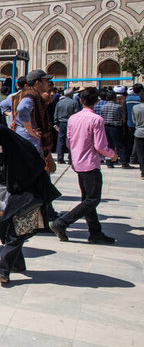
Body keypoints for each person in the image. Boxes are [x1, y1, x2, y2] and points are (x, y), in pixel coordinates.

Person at [0, 123, 60, 285]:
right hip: (5, 194)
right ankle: (18, 264)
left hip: (27, 195)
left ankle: (3, 270)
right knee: (3, 229)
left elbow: (38, 171)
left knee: (16, 233)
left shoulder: (24, 149)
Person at [49, 87, 118, 244]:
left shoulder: (73, 118)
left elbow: (68, 141)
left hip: (78, 161)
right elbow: (100, 145)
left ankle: (95, 232)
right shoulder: (96, 120)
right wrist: (111, 155)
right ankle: (62, 222)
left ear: (80, 101)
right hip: (90, 163)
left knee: (87, 199)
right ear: (97, 101)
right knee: (92, 199)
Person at [99, 90, 128, 169]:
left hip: (105, 127)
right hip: (115, 127)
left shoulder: (103, 107)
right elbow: (122, 118)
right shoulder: (118, 107)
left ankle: (109, 162)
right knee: (120, 145)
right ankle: (124, 162)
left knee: (108, 145)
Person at [54, 88, 81, 164]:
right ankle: (71, 158)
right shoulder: (74, 103)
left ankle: (60, 158)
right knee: (71, 140)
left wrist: (56, 123)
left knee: (60, 141)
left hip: (61, 123)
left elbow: (56, 113)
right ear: (71, 94)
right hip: (71, 123)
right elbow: (77, 114)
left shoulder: (59, 103)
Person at [132, 90, 144, 179]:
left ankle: (143, 172)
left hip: (139, 132)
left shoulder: (135, 107)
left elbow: (134, 120)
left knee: (140, 154)